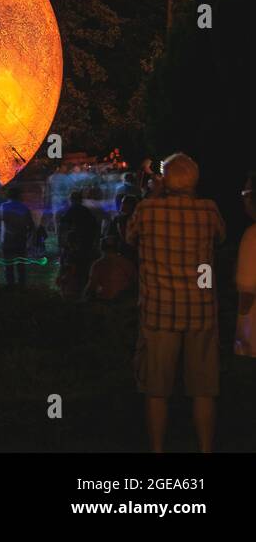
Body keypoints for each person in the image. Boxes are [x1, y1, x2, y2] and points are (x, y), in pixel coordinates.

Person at [125, 152, 225, 453]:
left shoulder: (147, 210)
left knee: (157, 389)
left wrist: (155, 193)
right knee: (204, 389)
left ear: (165, 180)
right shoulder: (209, 210)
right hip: (201, 313)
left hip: (159, 313)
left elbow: (129, 238)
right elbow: (220, 238)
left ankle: (158, 449)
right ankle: (205, 448)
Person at [57, 190, 100, 300]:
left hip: (75, 243)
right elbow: (94, 226)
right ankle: (83, 290)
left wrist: (64, 242)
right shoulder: (86, 211)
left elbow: (63, 224)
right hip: (86, 243)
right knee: (83, 267)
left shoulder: (71, 210)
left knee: (73, 267)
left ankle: (72, 291)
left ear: (72, 200)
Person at [234, 171, 256, 357]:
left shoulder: (252, 236)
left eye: (246, 194)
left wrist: (241, 332)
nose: (244, 200)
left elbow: (247, 292)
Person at [0, 186, 35, 287]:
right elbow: (31, 225)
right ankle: (21, 286)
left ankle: (10, 286)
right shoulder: (24, 208)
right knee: (21, 266)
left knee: (8, 265)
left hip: (7, 239)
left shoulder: (3, 206)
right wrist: (29, 239)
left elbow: (0, 219)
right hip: (20, 239)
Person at [85, 237, 137, 301]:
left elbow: (91, 286)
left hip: (104, 302)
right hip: (124, 302)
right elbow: (134, 282)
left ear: (101, 248)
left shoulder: (98, 264)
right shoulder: (128, 263)